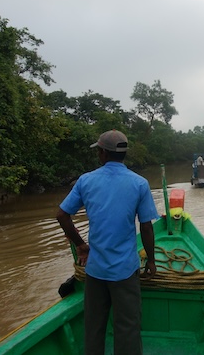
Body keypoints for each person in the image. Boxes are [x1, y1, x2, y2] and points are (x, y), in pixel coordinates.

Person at [56, 129, 158, 355]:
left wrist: (81, 245)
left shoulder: (86, 180)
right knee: (128, 328)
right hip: (125, 271)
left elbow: (62, 215)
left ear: (102, 153)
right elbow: (146, 227)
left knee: (94, 328)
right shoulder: (139, 183)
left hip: (95, 270)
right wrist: (151, 261)